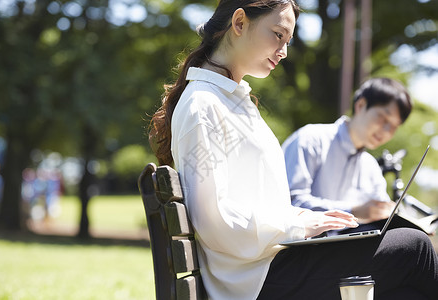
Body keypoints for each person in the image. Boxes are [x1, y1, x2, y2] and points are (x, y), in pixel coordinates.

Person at [149, 1, 438, 299]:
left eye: (288, 41)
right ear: (239, 23)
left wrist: (304, 218)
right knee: (414, 249)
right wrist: (298, 224)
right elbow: (213, 220)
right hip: (253, 279)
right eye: (277, 34)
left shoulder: (230, 102)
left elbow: (249, 202)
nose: (284, 51)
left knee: (406, 270)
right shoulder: (204, 106)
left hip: (264, 266)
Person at [282, 78, 411, 226]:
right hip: (303, 244)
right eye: (384, 118)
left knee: (413, 237)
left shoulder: (370, 166)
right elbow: (291, 201)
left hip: (349, 244)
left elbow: (380, 213)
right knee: (414, 242)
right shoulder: (311, 139)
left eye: (395, 126)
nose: (387, 131)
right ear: (361, 105)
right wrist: (353, 211)